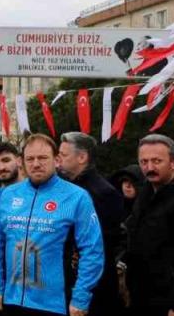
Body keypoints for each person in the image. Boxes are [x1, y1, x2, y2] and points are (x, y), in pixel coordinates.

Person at [0, 134, 104, 316]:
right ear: (21, 161)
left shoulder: (76, 197)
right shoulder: (8, 195)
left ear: (56, 160)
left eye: (42, 158)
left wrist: (81, 297)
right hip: (12, 299)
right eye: (30, 159)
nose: (36, 164)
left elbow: (92, 250)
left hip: (56, 304)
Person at [122, 134, 174, 316]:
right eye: (144, 162)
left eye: (157, 161)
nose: (149, 167)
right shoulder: (145, 192)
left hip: (168, 299)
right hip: (141, 293)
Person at [57, 132, 124, 316]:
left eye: (63, 155)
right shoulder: (65, 188)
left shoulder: (103, 193)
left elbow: (102, 244)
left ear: (82, 157)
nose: (58, 160)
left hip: (93, 285)